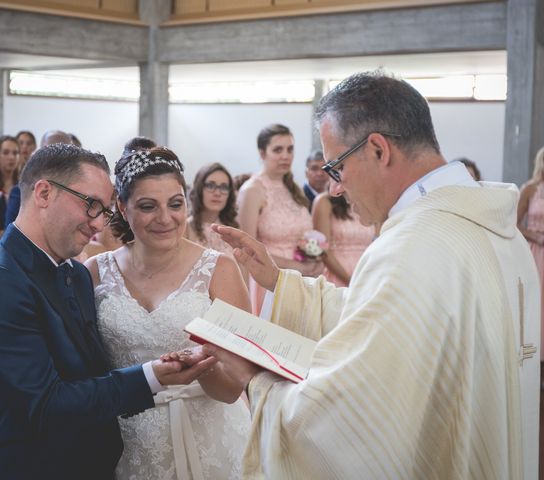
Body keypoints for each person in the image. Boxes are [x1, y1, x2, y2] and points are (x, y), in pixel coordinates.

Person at [194, 72, 540, 479]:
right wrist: (282, 284)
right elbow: (389, 317)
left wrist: (255, 381)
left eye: (336, 167)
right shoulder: (491, 224)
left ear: (378, 149)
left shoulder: (413, 245)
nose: (335, 189)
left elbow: (343, 425)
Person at [0, 143, 215, 480]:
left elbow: (90, 370)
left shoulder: (75, 274)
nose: (99, 224)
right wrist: (152, 377)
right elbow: (46, 404)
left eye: (105, 210)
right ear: (44, 193)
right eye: (91, 205)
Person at [85, 147, 251, 479]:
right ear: (122, 206)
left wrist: (204, 366)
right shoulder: (95, 272)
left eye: (175, 204)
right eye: (148, 206)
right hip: (127, 441)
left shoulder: (219, 269)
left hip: (211, 437)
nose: (165, 218)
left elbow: (235, 387)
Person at [237, 124, 324, 314]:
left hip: (301, 278)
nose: (286, 155)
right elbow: (247, 247)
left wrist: (314, 257)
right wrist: (298, 267)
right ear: (262, 153)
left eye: (290, 149)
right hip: (270, 279)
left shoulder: (295, 189)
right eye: (278, 150)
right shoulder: (252, 190)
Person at [5, 130, 74, 227]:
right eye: (52, 152)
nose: (58, 160)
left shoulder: (78, 193)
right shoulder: (20, 192)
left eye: (67, 153)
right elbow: (12, 234)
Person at [311, 184, 375, 286]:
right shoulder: (324, 201)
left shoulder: (368, 201)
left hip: (366, 273)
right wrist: (350, 281)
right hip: (338, 275)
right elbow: (322, 249)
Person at [517, 145, 544, 373]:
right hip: (536, 253)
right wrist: (536, 235)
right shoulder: (529, 189)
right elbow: (513, 224)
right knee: (536, 303)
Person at [186, 162, 239, 257]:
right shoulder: (185, 228)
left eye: (223, 187)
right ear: (199, 189)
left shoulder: (234, 229)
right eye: (210, 185)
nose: (217, 193)